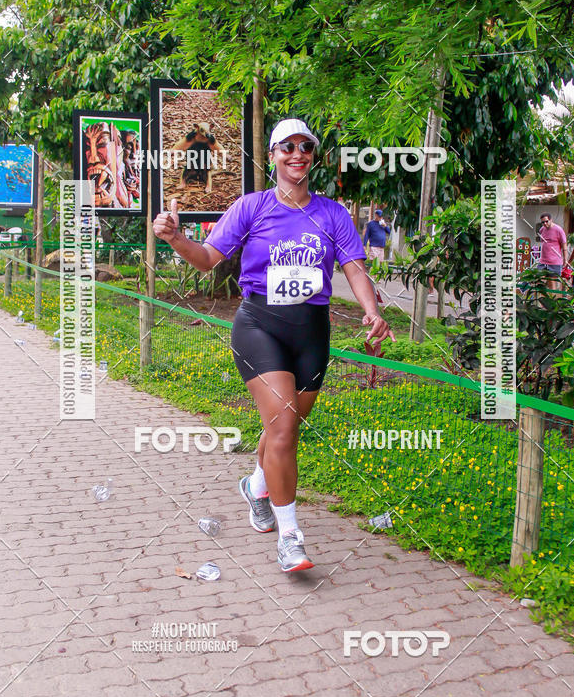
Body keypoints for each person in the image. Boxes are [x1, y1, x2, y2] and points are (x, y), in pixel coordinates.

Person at [153, 118, 394, 573]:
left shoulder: (332, 214)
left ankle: (256, 484)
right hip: (258, 325)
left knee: (284, 427)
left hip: (311, 332)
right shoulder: (252, 207)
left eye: (306, 146)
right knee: (283, 430)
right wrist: (176, 238)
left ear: (313, 155)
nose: (297, 153)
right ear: (273, 155)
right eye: (287, 147)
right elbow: (208, 259)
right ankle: (290, 539)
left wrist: (372, 310)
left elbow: (356, 268)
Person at [537, 212, 568, 292]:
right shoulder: (542, 229)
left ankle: (552, 302)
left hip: (554, 261)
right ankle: (541, 302)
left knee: (552, 283)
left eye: (546, 221)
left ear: (551, 220)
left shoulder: (558, 230)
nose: (545, 223)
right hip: (543, 261)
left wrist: (565, 259)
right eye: (543, 222)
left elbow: (564, 246)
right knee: (538, 280)